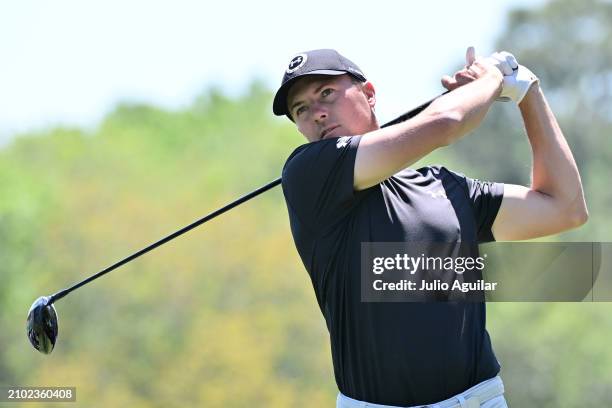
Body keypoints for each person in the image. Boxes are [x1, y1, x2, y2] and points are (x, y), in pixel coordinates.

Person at [273, 48, 588, 407]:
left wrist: (526, 92)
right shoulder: (306, 175)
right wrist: (490, 80)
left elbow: (564, 207)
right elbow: (448, 121)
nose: (317, 113)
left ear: (370, 93)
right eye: (301, 110)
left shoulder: (445, 187)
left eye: (326, 93)